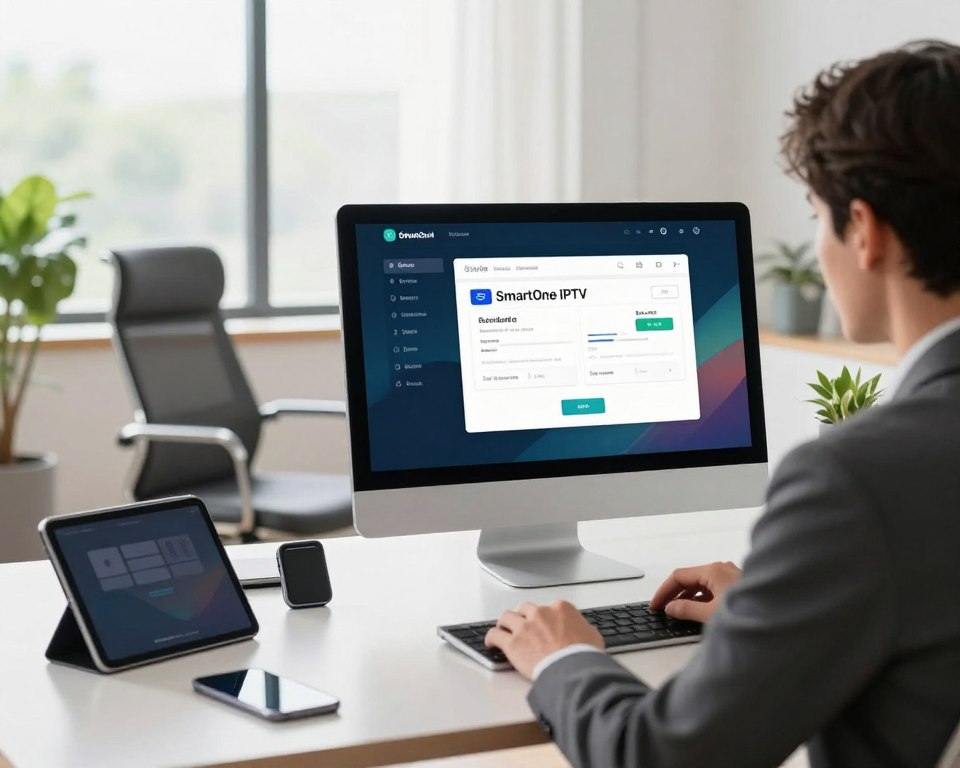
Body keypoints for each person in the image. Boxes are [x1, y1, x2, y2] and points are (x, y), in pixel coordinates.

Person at [485, 40, 960, 768]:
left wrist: (563, 657)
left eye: (815, 215)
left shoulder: (860, 481)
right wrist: (778, 610)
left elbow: (664, 756)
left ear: (863, 231)